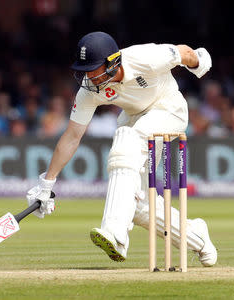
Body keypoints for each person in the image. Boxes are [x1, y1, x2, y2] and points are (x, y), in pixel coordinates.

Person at [26, 32, 217, 267]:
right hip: (135, 117)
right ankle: (197, 237)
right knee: (136, 204)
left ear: (113, 61)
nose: (88, 76)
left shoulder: (143, 57)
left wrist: (199, 61)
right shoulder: (89, 90)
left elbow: (184, 52)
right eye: (84, 70)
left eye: (93, 69)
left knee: (126, 136)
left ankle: (115, 234)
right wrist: (46, 184)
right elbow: (72, 136)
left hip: (169, 110)